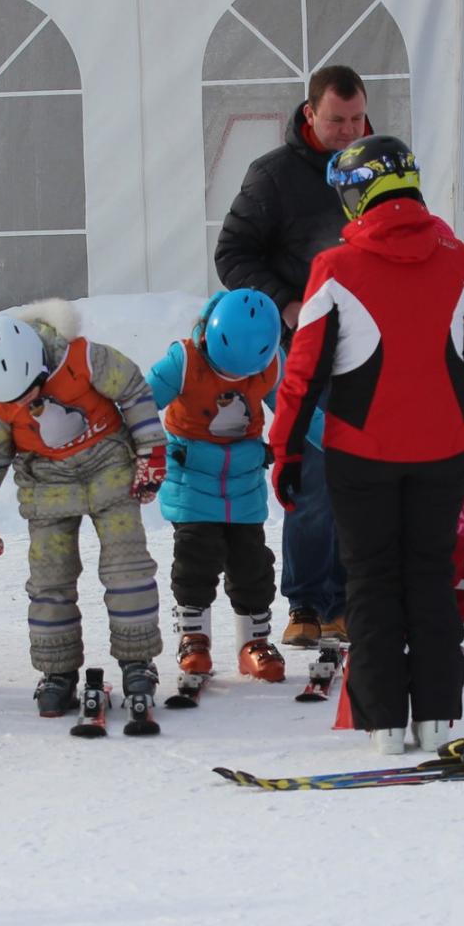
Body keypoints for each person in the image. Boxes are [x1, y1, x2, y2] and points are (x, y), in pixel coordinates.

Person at [268, 135, 464, 756]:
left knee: (370, 582)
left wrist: (286, 453)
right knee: (431, 578)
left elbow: (302, 376)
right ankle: (438, 720)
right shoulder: (459, 260)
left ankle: (385, 725)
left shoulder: (336, 268)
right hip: (443, 451)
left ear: (357, 195)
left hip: (362, 454)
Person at [215, 66, 370, 648]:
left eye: (357, 119)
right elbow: (231, 254)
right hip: (299, 346)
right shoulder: (273, 175)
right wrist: (285, 304)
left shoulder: (378, 167)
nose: (348, 130)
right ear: (309, 113)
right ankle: (307, 600)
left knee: (362, 471)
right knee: (314, 467)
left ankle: (349, 600)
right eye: (336, 120)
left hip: (367, 344)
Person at [0, 302, 168, 715]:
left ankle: (137, 661)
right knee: (49, 579)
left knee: (127, 569)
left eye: (31, 390)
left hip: (109, 469)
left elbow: (132, 389)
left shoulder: (83, 358)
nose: (27, 401)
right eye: (15, 399)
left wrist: (151, 450)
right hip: (47, 487)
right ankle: (57, 672)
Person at [146, 289, 288, 683]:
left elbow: (295, 410)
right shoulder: (184, 360)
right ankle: (193, 638)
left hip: (244, 479)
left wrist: (326, 445)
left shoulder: (272, 363)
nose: (236, 380)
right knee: (196, 556)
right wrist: (139, 451)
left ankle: (253, 643)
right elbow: (138, 404)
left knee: (252, 563)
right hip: (191, 476)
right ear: (209, 338)